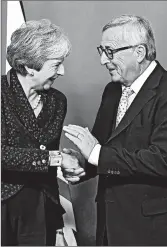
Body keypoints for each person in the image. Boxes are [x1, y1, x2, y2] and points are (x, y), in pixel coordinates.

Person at [63, 15, 167, 245]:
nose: (102, 60)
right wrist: (80, 165)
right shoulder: (112, 91)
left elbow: (162, 160)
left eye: (109, 52)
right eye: (101, 50)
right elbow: (102, 150)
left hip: (148, 231)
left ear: (139, 52)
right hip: (107, 228)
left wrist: (96, 154)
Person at [1, 19, 85, 246]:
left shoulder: (57, 101)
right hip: (4, 209)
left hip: (42, 209)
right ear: (30, 66)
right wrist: (55, 158)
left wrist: (57, 224)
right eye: (56, 64)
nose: (63, 71)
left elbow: (47, 173)